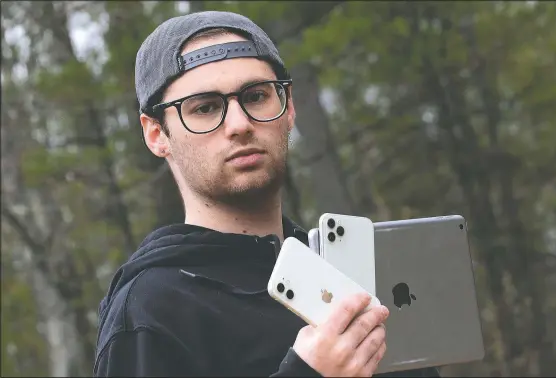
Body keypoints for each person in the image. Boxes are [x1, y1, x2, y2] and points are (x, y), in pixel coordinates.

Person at [94, 10, 440, 377]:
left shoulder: (341, 273)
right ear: (156, 135)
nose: (239, 124)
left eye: (256, 96)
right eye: (205, 108)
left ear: (288, 106)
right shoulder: (151, 312)